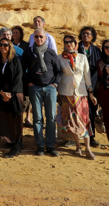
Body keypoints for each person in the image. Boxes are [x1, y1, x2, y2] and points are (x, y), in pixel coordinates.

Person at [55, 35, 95, 160]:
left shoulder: (82, 57)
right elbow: (57, 75)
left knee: (83, 121)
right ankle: (78, 146)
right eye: (66, 42)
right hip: (66, 93)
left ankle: (87, 148)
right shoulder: (59, 58)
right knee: (71, 121)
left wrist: (91, 92)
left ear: (75, 44)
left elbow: (87, 75)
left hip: (81, 93)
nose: (68, 44)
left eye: (71, 42)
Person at [25, 28, 63, 156]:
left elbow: (59, 71)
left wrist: (54, 84)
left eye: (41, 37)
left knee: (51, 118)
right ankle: (40, 145)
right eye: (36, 37)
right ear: (33, 38)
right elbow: (22, 69)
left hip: (50, 88)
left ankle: (51, 145)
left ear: (45, 38)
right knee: (37, 118)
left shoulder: (51, 53)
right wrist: (29, 82)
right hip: (35, 88)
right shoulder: (29, 52)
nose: (39, 39)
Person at [0, 39, 24, 158]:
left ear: (10, 47)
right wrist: (2, 93)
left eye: (5, 45)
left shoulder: (16, 61)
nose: (2, 47)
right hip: (1, 93)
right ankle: (9, 141)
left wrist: (9, 94)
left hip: (15, 93)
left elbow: (18, 78)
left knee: (16, 119)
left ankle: (17, 143)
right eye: (0, 45)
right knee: (4, 118)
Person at [78, 26, 103, 146]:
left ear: (93, 36)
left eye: (88, 33)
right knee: (77, 112)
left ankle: (91, 137)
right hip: (78, 85)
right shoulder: (76, 47)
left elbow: (100, 69)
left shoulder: (97, 51)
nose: (85, 35)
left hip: (94, 85)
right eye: (83, 33)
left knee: (91, 112)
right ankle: (76, 137)